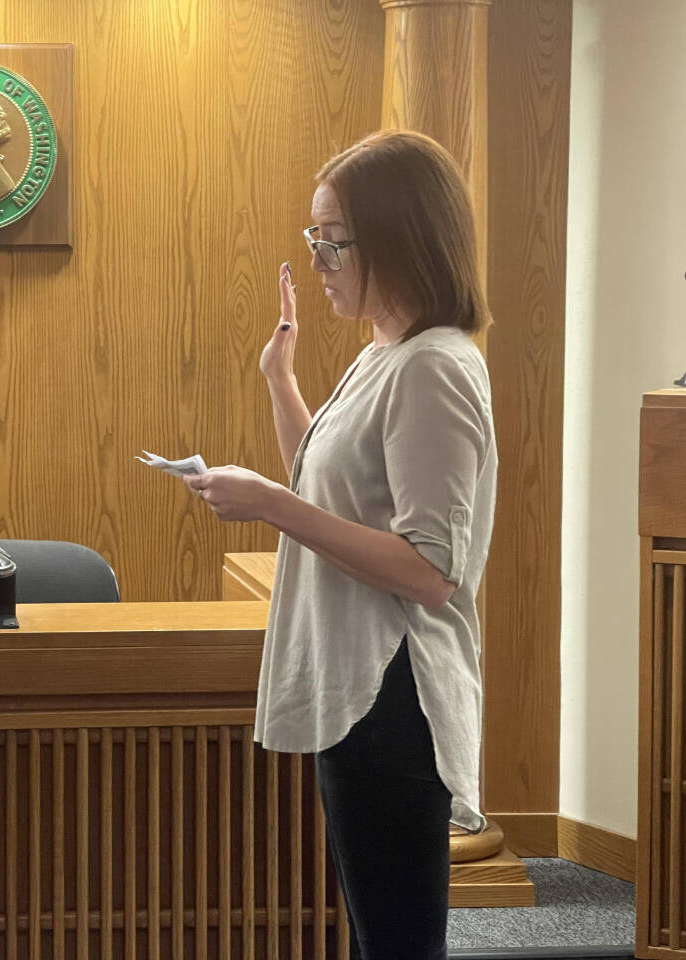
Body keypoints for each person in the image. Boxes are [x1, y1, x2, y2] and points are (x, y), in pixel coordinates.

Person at [185, 129, 497, 959]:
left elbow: (430, 571)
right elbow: (326, 487)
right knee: (372, 933)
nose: (317, 259)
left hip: (397, 690)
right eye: (312, 238)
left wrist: (271, 506)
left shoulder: (433, 366)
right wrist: (280, 382)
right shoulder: (381, 355)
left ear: (399, 238)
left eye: (334, 240)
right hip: (358, 680)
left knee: (395, 941)